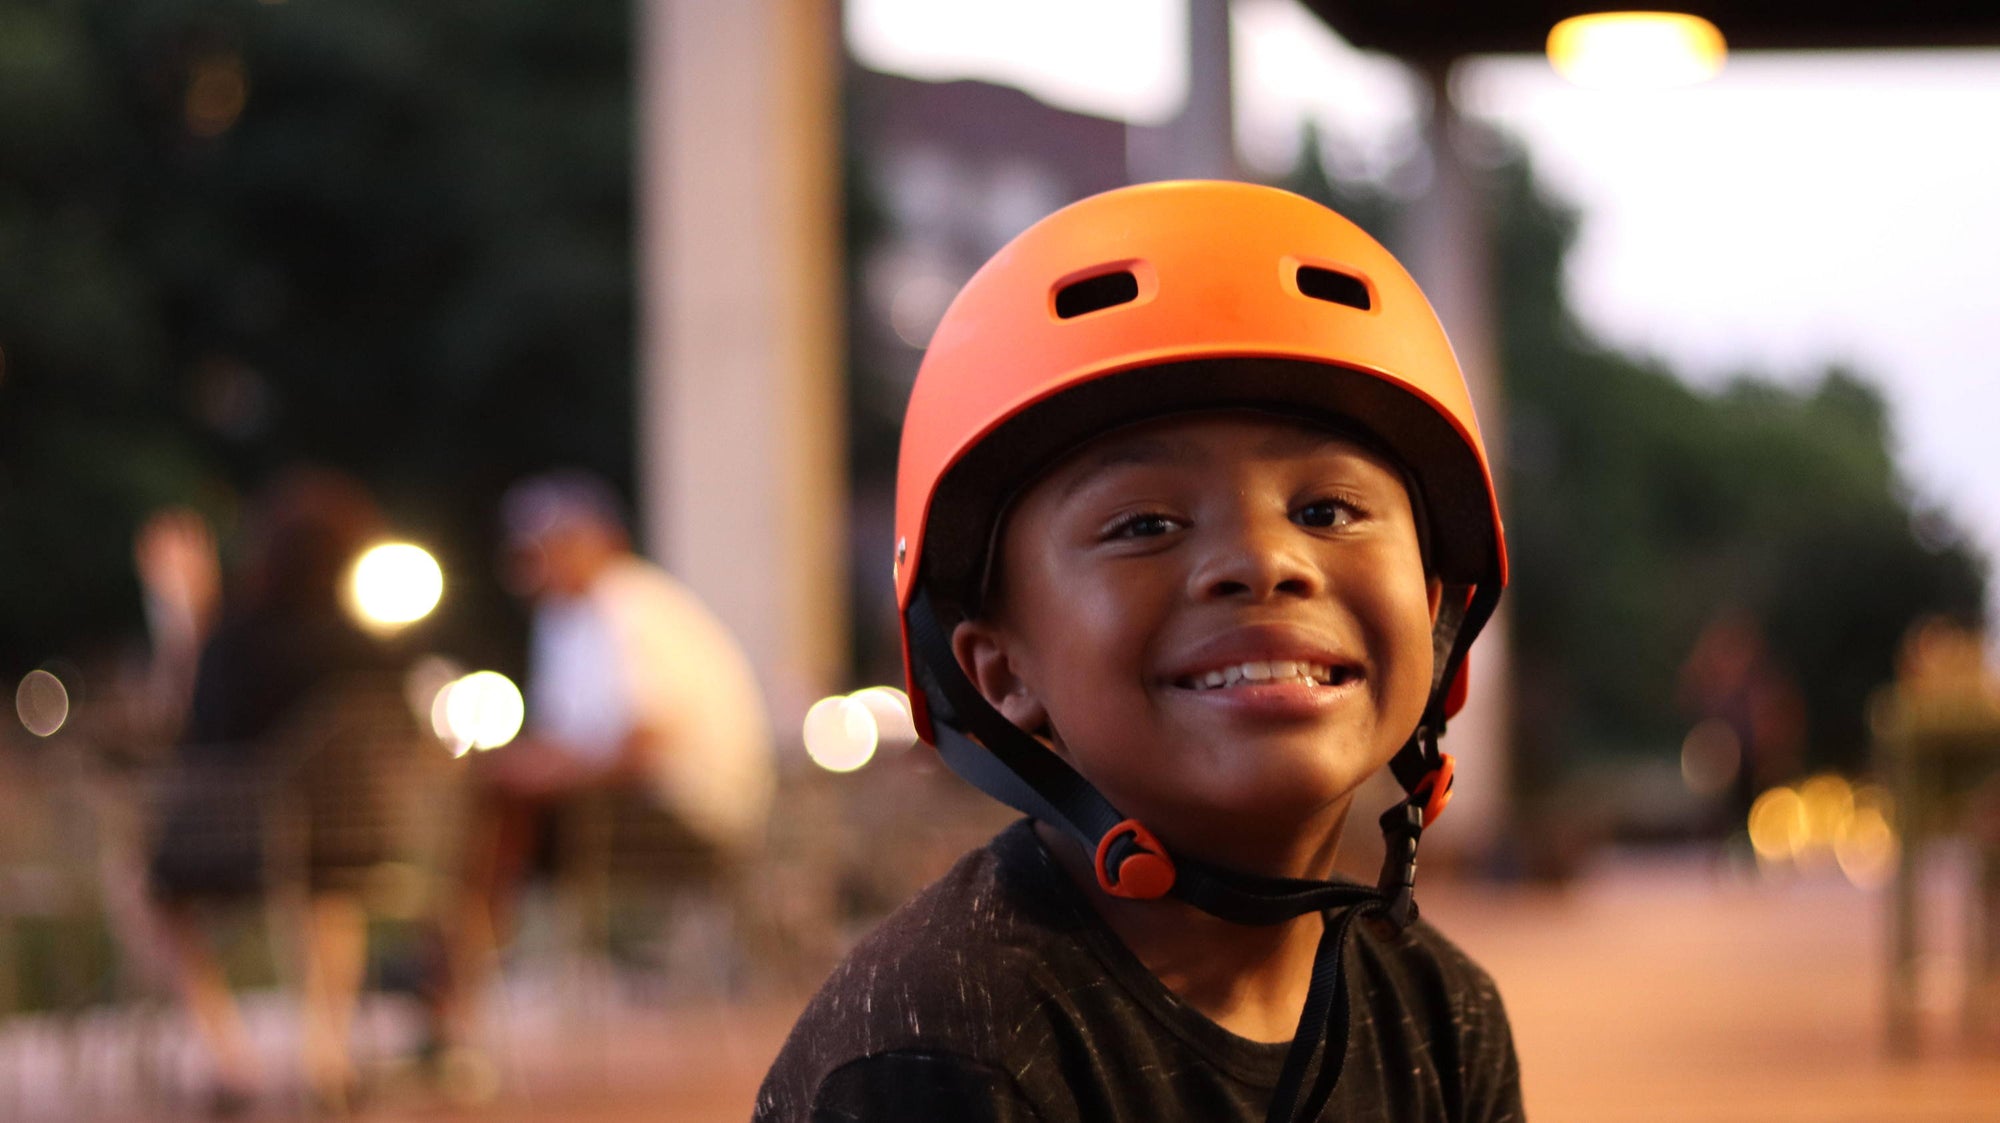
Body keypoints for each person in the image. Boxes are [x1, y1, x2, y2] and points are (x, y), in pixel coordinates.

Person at [756, 181, 1521, 1121]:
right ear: (1001, 672)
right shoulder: (946, 1049)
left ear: (1437, 612)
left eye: (1326, 510)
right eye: (1146, 523)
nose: (1262, 562)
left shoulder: (1441, 1019)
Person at [433, 470, 774, 1075]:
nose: (533, 565)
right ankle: (450, 980)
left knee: (494, 806)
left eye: (547, 546)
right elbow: (568, 742)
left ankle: (450, 991)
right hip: (622, 810)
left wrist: (533, 774)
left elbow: (643, 747)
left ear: (597, 541)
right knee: (484, 796)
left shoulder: (630, 606)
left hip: (691, 813)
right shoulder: (564, 622)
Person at [142, 469, 415, 1115]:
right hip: (358, 842)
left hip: (236, 845)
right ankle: (328, 1055)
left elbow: (198, 745)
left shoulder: (236, 639)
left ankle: (226, 1056)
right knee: (327, 888)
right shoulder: (373, 644)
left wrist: (184, 622)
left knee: (144, 886)